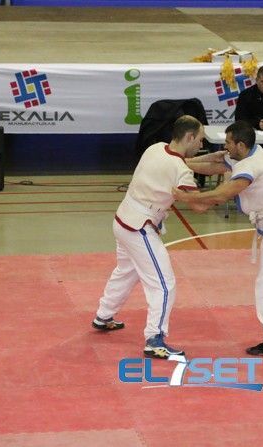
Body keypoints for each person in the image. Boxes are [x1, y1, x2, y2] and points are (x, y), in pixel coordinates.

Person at [173, 121, 263, 356]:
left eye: (228, 142)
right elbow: (216, 165)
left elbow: (223, 194)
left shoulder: (252, 166)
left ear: (241, 145)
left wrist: (187, 197)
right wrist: (180, 162)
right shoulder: (249, 153)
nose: (225, 146)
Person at [92, 115, 225, 359]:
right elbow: (199, 206)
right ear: (189, 137)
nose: (202, 144)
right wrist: (225, 191)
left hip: (122, 220)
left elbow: (183, 162)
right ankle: (155, 339)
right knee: (164, 285)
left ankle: (103, 315)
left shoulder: (156, 148)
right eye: (200, 140)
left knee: (126, 272)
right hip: (139, 228)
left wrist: (212, 160)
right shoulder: (180, 171)